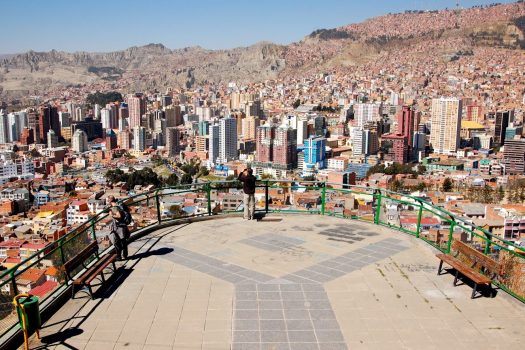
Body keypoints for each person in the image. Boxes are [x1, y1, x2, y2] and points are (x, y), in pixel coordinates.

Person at [107, 195, 132, 260]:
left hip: (119, 226)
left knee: (118, 242)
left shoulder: (115, 207)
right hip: (122, 225)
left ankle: (119, 256)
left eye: (108, 200)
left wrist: (111, 214)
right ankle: (124, 255)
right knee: (123, 241)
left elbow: (119, 216)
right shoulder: (119, 204)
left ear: (110, 200)